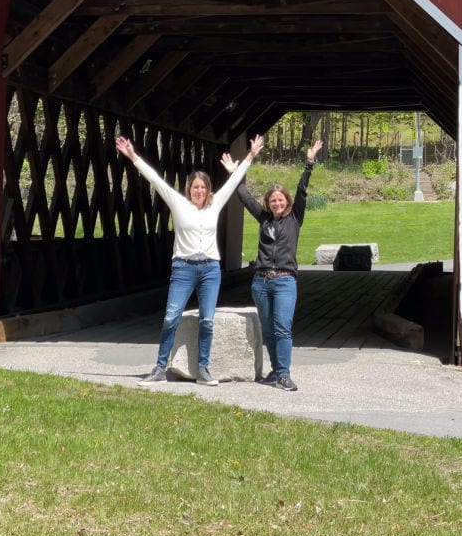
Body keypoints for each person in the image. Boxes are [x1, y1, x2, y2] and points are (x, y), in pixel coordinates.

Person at [116, 132, 264, 386]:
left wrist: (250, 155)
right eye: (195, 187)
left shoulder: (215, 204)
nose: (199, 191)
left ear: (208, 190)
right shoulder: (178, 203)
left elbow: (234, 180)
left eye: (203, 187)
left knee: (207, 320)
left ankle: (204, 369)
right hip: (183, 268)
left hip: (209, 270)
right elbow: (155, 179)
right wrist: (132, 156)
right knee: (170, 317)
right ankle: (160, 367)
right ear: (189, 189)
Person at [224, 139, 322, 392]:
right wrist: (238, 171)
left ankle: (284, 374)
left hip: (285, 281)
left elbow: (302, 190)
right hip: (261, 281)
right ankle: (276, 372)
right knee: (268, 330)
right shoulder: (263, 218)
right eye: (273, 201)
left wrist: (309, 162)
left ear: (287, 202)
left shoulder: (295, 218)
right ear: (268, 203)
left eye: (281, 200)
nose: (277, 204)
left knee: (282, 327)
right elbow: (244, 196)